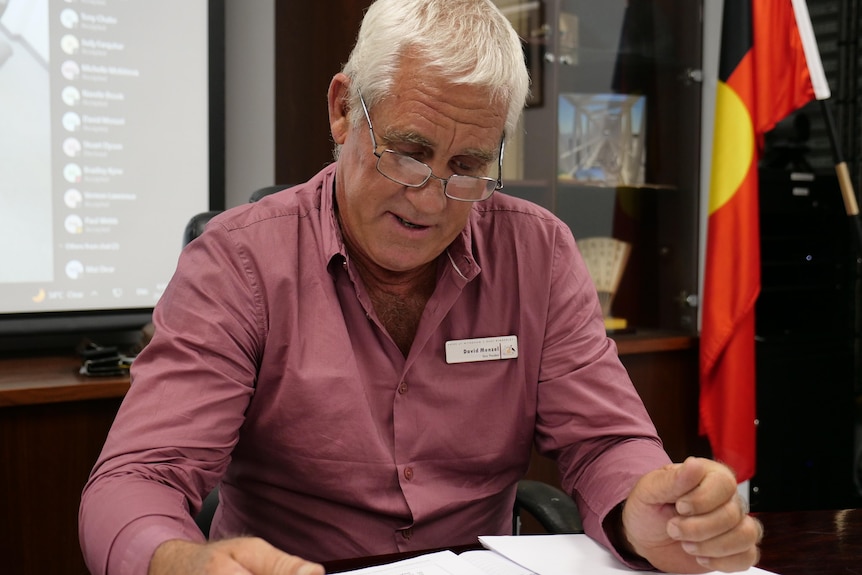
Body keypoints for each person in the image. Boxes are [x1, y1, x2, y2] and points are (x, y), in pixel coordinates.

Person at [79, 1, 763, 574]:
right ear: (344, 110)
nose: (431, 200)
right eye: (409, 151)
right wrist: (175, 559)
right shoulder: (237, 262)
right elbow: (138, 476)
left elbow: (604, 440)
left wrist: (642, 505)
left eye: (467, 166)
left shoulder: (539, 253)